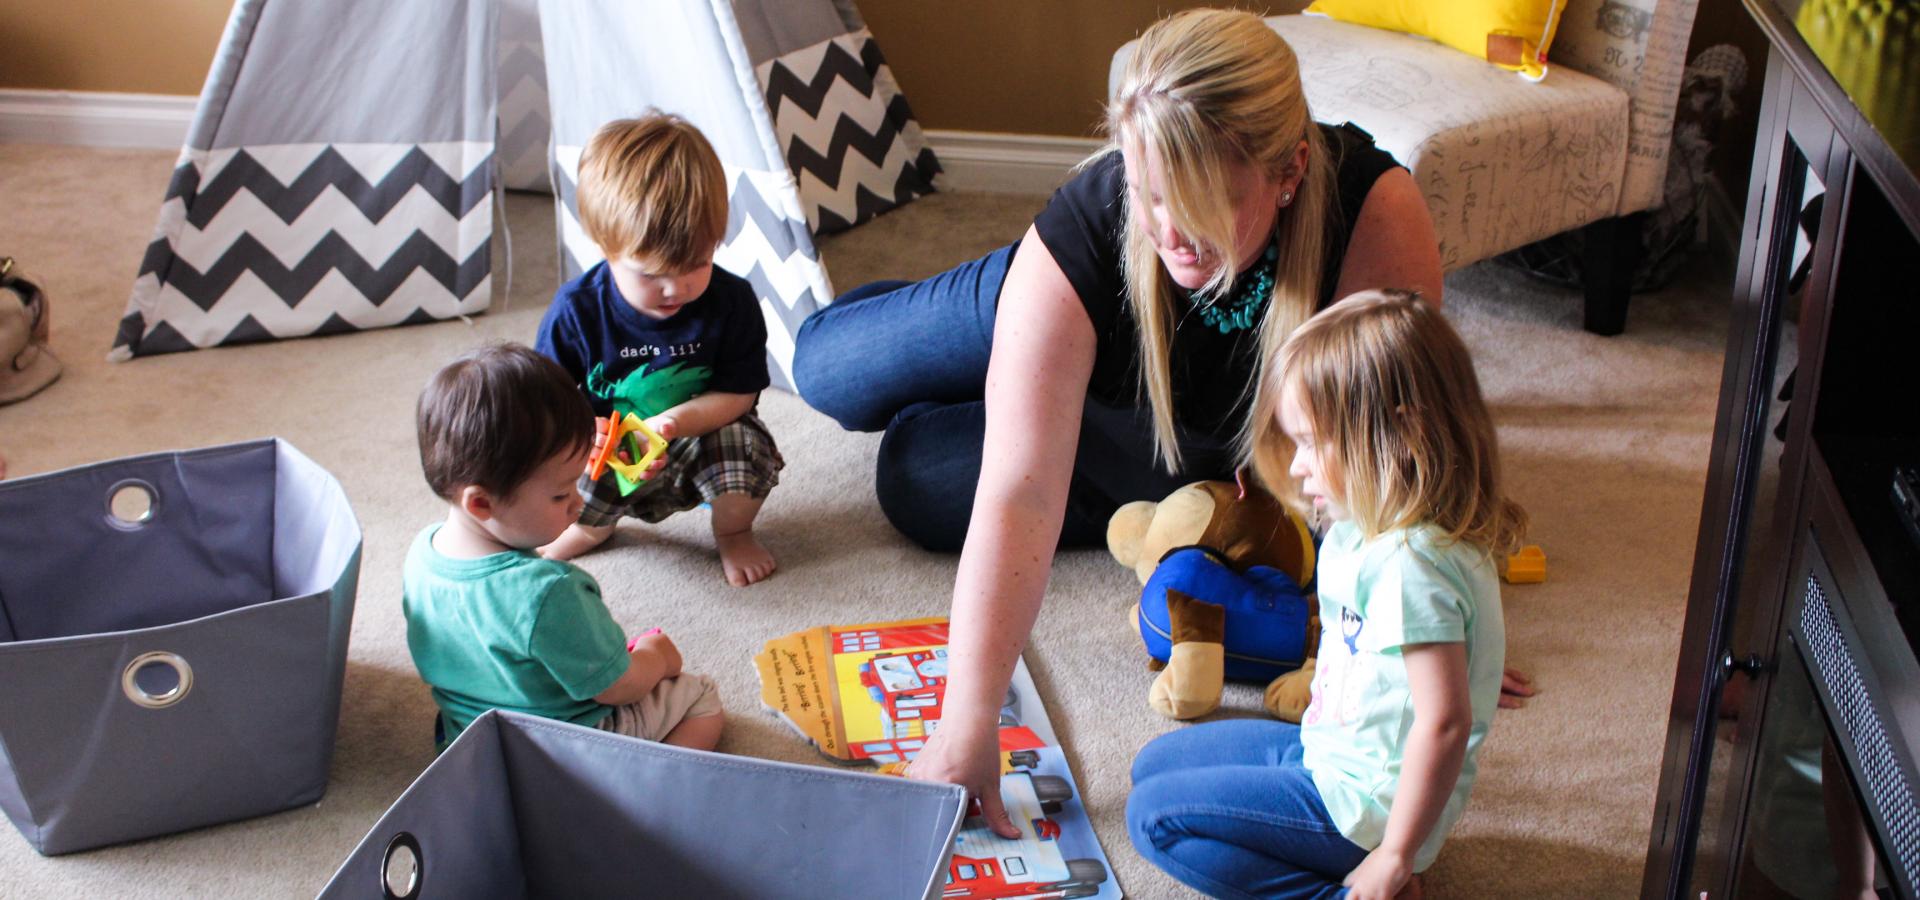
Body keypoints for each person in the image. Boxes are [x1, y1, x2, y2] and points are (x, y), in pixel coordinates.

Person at [793, 8, 1529, 833]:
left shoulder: (1372, 211)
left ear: (1287, 173)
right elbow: (1019, 493)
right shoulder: (1097, 222)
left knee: (914, 478)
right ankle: (995, 342)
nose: (1173, 231)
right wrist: (967, 728)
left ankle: (1037, 396)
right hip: (1057, 311)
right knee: (825, 370)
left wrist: (1427, 625)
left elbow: (1396, 452)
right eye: (1151, 194)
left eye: (1204, 199)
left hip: (1191, 442)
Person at [1126, 289, 1524, 898]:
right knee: (1151, 765)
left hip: (1362, 807)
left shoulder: (1410, 565)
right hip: (1327, 752)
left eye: (1312, 442)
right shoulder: (1370, 528)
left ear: (1397, 434)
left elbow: (1445, 722)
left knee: (1153, 818)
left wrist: (1396, 855)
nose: (1298, 466)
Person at [404, 342, 724, 752]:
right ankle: (651, 791)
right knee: (700, 696)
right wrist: (656, 657)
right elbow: (618, 688)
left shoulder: (421, 554)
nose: (579, 502)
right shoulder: (550, 590)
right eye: (560, 495)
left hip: (474, 741)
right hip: (568, 746)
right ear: (481, 502)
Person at [536, 113, 783, 587]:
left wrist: (672, 424)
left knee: (747, 448)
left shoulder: (731, 302)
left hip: (696, 438)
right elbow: (544, 398)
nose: (676, 288)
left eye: (697, 263)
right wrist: (585, 434)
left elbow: (740, 394)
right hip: (608, 446)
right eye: (650, 274)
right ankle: (592, 529)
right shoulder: (577, 311)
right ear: (606, 249)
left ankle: (733, 532)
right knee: (555, 466)